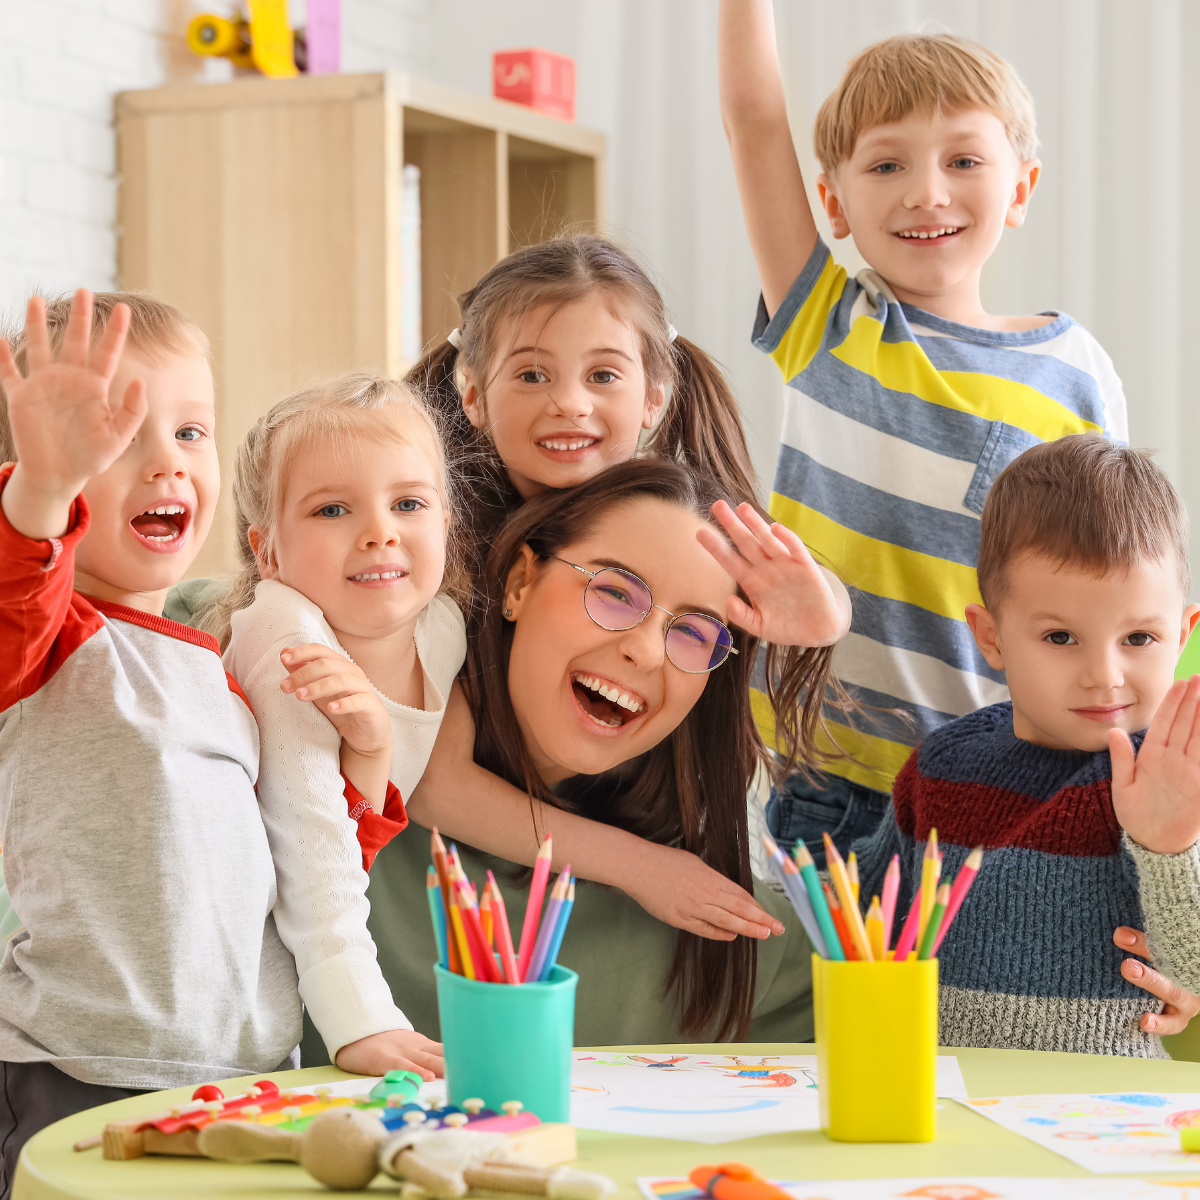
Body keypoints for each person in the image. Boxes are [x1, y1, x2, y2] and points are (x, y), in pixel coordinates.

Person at [171, 233, 854, 947]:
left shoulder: (671, 517)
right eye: (532, 376)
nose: (568, 404)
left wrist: (829, 612)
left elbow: (778, 577)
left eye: (603, 377)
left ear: (655, 398)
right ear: (472, 393)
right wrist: (643, 868)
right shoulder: (442, 549)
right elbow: (438, 781)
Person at [718, 8, 1129, 863]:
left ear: (1020, 189)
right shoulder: (828, 325)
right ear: (831, 201)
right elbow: (755, 122)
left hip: (996, 776)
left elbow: (1112, 592)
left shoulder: (1073, 369)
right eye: (887, 164)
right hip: (824, 776)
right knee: (836, 998)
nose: (926, 192)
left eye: (964, 161)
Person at [311, 459, 829, 1056]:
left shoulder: (719, 923)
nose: (644, 652)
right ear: (518, 582)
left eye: (693, 633)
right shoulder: (336, 775)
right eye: (612, 592)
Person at [0, 292, 300, 1194]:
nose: (165, 462)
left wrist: (363, 773)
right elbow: (18, 582)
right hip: (83, 1071)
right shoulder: (48, 640)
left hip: (249, 1076)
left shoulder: (224, 668)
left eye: (190, 433)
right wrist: (45, 485)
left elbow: (283, 863)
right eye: (119, 437)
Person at [853, 435, 1200, 1056]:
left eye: (1140, 639)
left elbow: (1194, 973)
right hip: (946, 1105)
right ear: (991, 637)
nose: (1105, 674)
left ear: (1182, 634)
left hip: (1107, 1119)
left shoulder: (1180, 776)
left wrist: (1167, 846)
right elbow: (859, 931)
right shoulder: (942, 769)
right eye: (1062, 637)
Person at [212, 376, 459, 1079]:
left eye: (408, 503)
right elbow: (313, 850)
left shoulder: (445, 628)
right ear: (269, 553)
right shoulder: (288, 644)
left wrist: (373, 747)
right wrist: (362, 1023)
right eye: (332, 510)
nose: (380, 530)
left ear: (447, 522)